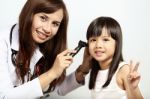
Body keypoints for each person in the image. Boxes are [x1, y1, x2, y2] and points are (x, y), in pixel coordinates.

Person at [0, 0, 90, 98]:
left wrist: (83, 70)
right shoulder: (3, 41)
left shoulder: (44, 44)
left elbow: (53, 88)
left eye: (55, 24)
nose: (47, 29)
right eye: (43, 18)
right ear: (29, 13)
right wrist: (52, 73)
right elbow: (5, 96)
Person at [83, 16, 143, 99]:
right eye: (93, 40)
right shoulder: (95, 70)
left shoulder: (123, 70)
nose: (98, 45)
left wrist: (133, 89)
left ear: (117, 44)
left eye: (105, 40)